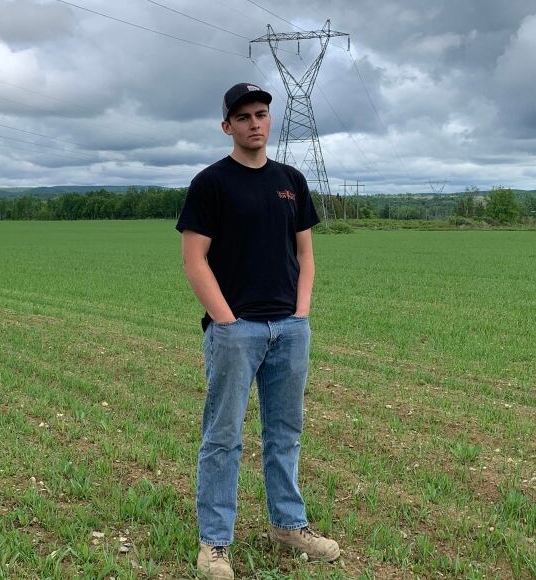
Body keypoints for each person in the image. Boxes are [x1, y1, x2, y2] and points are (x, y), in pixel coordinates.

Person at [176, 83, 339, 580]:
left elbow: (305, 253)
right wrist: (227, 321)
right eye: (243, 116)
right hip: (236, 330)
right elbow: (194, 260)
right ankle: (215, 544)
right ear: (227, 125)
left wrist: (300, 314)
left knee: (285, 434)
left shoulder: (291, 180)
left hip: (290, 329)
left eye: (261, 114)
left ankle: (288, 525)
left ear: (270, 121)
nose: (254, 123)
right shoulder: (211, 183)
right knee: (223, 437)